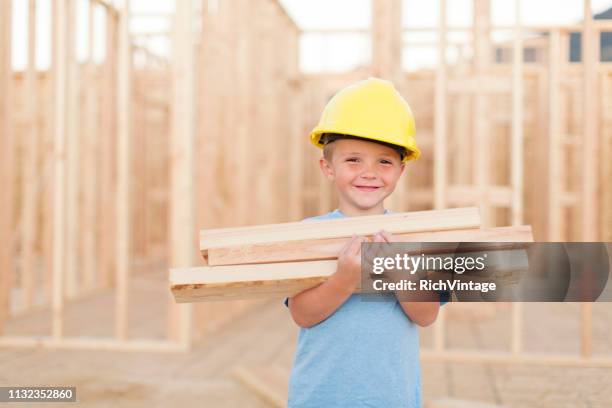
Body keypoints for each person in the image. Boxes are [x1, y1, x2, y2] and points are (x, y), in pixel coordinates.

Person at [285, 77, 448, 407]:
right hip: (321, 397)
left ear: (400, 171)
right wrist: (343, 280)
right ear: (328, 168)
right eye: (353, 159)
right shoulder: (308, 235)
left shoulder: (412, 238)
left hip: (390, 398)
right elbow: (302, 314)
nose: (369, 172)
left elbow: (426, 315)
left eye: (384, 161)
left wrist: (401, 274)